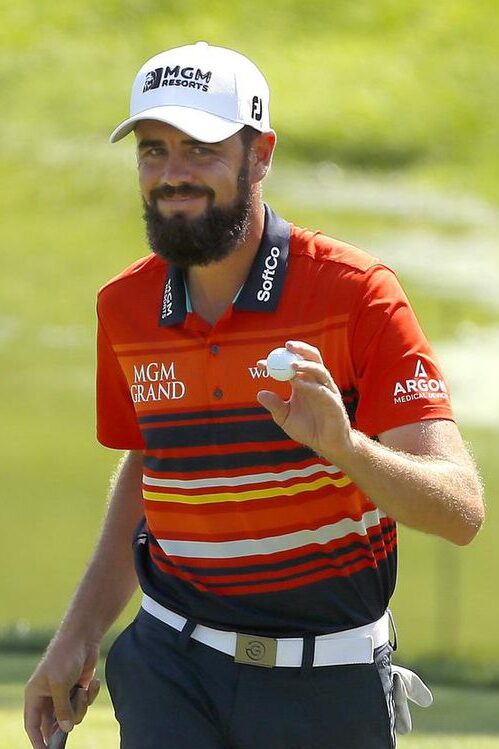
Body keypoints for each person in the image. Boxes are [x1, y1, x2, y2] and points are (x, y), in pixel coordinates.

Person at [24, 41, 484, 749]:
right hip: (169, 665)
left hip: (325, 685)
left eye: (199, 149)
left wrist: (343, 447)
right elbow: (152, 468)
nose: (172, 175)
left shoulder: (357, 295)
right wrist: (77, 636)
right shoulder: (124, 307)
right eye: (152, 150)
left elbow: (459, 508)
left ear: (259, 154)